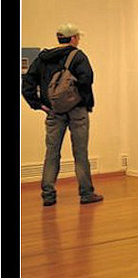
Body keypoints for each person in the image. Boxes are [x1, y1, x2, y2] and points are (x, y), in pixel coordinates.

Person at [21, 23, 103, 206]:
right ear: (73, 38)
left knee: (52, 152)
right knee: (80, 152)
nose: (78, 40)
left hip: (53, 110)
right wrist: (83, 101)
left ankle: (48, 195)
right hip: (77, 111)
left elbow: (27, 83)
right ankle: (86, 193)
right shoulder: (78, 56)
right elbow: (87, 80)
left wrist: (39, 105)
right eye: (78, 37)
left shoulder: (43, 58)